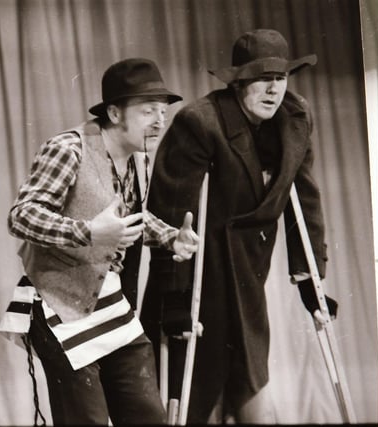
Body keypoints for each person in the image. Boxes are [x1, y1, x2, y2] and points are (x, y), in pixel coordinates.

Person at [140, 29, 339, 423]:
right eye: (260, 80)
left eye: (280, 78)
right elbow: (170, 215)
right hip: (202, 268)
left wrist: (310, 283)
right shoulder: (200, 122)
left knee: (248, 378)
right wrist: (174, 300)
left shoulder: (295, 120)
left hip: (249, 269)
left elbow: (306, 200)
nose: (272, 89)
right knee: (194, 389)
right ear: (238, 84)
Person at [0, 58, 199, 425]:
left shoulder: (136, 160)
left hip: (107, 302)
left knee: (147, 416)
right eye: (147, 111)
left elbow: (129, 217)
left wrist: (172, 238)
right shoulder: (69, 148)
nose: (159, 120)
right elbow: (21, 215)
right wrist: (88, 232)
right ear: (114, 113)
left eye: (163, 111)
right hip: (58, 304)